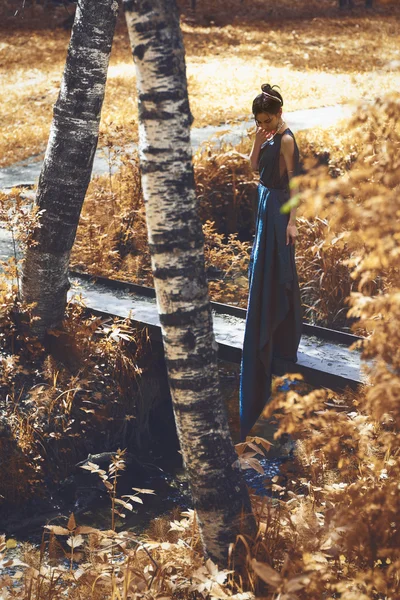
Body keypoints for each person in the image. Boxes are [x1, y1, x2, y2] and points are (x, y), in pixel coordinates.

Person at [239, 83, 302, 439]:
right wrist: (256, 141)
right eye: (259, 121)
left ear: (279, 114)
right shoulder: (263, 135)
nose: (264, 124)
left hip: (279, 209)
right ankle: (263, 316)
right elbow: (252, 168)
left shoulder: (288, 140)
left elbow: (295, 183)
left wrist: (292, 221)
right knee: (262, 265)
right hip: (264, 204)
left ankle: (280, 332)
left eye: (268, 119)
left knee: (281, 270)